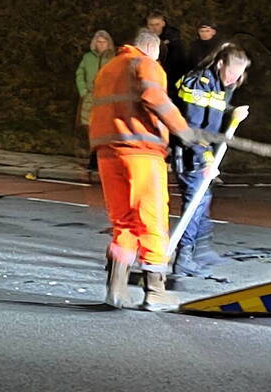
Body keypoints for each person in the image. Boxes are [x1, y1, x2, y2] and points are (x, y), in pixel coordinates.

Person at [90, 30, 224, 311]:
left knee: (123, 222)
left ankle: (115, 291)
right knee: (151, 220)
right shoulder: (145, 63)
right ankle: (155, 291)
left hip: (107, 151)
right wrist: (184, 132)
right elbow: (155, 98)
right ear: (153, 50)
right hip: (140, 151)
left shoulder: (108, 69)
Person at [171, 43, 251, 278]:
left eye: (239, 74)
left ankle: (197, 250)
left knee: (202, 198)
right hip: (187, 150)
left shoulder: (222, 84)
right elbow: (192, 128)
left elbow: (215, 112)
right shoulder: (199, 83)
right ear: (219, 64)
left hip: (200, 150)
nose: (234, 79)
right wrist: (206, 160)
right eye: (231, 73)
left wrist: (232, 112)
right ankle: (184, 256)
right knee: (196, 199)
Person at [75, 30, 115, 163]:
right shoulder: (87, 57)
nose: (101, 44)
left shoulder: (113, 58)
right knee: (88, 125)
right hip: (90, 96)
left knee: (105, 125)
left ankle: (101, 154)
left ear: (108, 43)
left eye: (104, 42)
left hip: (107, 96)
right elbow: (80, 74)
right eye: (99, 42)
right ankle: (93, 153)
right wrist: (83, 91)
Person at [144, 11, 188, 87]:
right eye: (151, 25)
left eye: (157, 24)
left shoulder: (174, 40)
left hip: (171, 81)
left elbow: (178, 64)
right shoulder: (144, 39)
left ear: (163, 24)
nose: (154, 28)